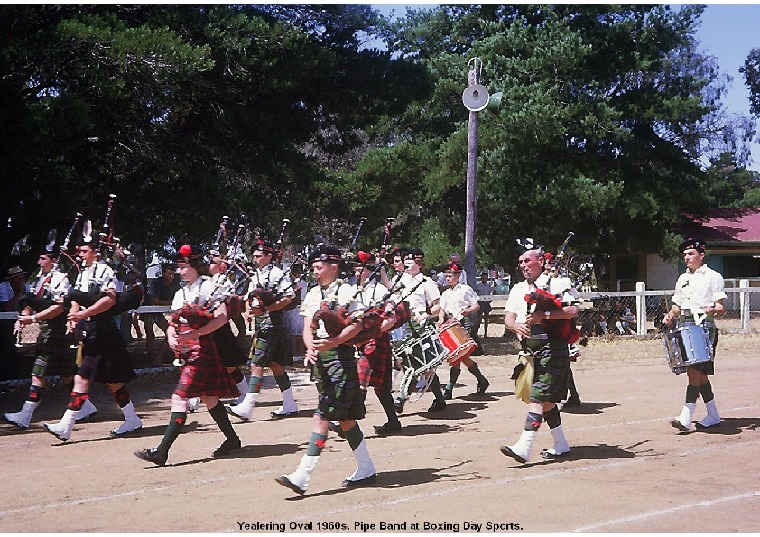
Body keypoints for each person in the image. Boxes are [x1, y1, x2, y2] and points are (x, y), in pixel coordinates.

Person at [276, 245, 376, 495]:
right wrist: (310, 347)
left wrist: (334, 341)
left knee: (322, 416)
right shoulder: (312, 294)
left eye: (319, 268)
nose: (315, 272)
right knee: (345, 419)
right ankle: (366, 467)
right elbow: (307, 326)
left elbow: (357, 324)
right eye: (313, 269)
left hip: (341, 358)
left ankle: (302, 475)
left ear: (334, 266)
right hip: (322, 361)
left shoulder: (348, 291)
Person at [134, 244, 241, 465]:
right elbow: (172, 320)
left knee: (179, 397)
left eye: (183, 267)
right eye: (178, 267)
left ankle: (161, 452)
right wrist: (172, 335)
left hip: (202, 349)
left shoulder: (209, 287)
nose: (179, 272)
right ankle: (232, 440)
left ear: (194, 266)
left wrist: (196, 332)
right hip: (187, 351)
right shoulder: (180, 293)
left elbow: (221, 318)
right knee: (209, 398)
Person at [43, 237, 142, 441]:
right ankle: (132, 419)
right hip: (91, 330)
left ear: (95, 252)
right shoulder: (83, 274)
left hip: (104, 331)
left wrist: (84, 313)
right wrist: (74, 317)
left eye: (84, 251)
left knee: (81, 378)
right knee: (113, 382)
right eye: (79, 252)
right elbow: (76, 299)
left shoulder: (105, 271)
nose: (79, 255)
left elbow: (109, 300)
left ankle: (65, 426)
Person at [502, 243, 578, 463]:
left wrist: (543, 314)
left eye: (527, 261)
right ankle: (561, 444)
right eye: (521, 263)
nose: (523, 266)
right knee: (546, 401)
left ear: (541, 261)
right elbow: (508, 317)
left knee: (538, 397)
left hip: (553, 347)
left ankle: (523, 447)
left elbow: (573, 311)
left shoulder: (558, 283)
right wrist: (515, 327)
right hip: (530, 350)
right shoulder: (517, 289)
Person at [4, 250, 97, 428]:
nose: (39, 261)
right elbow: (29, 302)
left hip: (60, 330)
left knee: (38, 375)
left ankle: (25, 415)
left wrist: (32, 319)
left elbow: (59, 308)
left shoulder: (61, 279)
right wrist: (23, 319)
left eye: (43, 258)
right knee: (66, 376)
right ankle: (86, 406)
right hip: (47, 330)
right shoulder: (37, 278)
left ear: (53, 261)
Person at [227, 240, 297, 421]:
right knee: (275, 365)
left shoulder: (277, 273)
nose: (255, 259)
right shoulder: (256, 275)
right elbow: (250, 297)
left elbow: (289, 297)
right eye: (254, 255)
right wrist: (250, 311)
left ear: (269, 256)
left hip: (273, 324)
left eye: (258, 256)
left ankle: (248, 406)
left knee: (256, 364)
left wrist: (267, 309)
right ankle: (290, 403)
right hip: (262, 324)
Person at [663, 237, 726, 433]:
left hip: (704, 325)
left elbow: (721, 307)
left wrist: (712, 310)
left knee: (694, 373)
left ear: (701, 255)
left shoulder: (713, 276)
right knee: (701, 375)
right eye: (684, 255)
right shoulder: (682, 278)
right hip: (685, 324)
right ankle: (713, 415)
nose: (686, 258)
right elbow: (677, 306)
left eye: (690, 254)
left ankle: (685, 416)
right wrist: (669, 315)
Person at [187, 250, 250, 412]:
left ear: (222, 266)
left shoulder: (223, 281)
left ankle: (245, 393)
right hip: (205, 327)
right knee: (201, 362)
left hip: (219, 327)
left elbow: (227, 301)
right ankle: (195, 399)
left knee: (229, 364)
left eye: (213, 262)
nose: (209, 265)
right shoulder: (204, 281)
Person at [352, 252, 403, 435]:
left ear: (369, 269)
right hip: (360, 340)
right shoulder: (356, 289)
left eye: (360, 268)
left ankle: (349, 421)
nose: (356, 271)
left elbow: (392, 314)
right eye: (355, 268)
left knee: (361, 380)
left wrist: (378, 327)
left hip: (376, 340)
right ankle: (393, 421)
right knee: (381, 387)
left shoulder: (380, 290)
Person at [393, 248, 447, 413]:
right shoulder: (399, 280)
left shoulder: (426, 282)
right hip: (401, 325)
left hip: (420, 326)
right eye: (406, 261)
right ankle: (439, 398)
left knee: (420, 363)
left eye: (412, 262)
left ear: (420, 263)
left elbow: (437, 305)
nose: (408, 264)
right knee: (410, 363)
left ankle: (402, 397)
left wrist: (427, 315)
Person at [438, 261, 489, 400]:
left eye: (451, 276)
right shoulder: (446, 293)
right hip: (450, 324)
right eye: (446, 276)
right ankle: (482, 380)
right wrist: (440, 320)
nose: (448, 279)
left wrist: (467, 310)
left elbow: (476, 305)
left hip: (462, 323)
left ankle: (449, 388)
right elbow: (442, 309)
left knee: (458, 355)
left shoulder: (465, 289)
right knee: (458, 356)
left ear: (459, 275)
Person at [143, 263, 180, 366]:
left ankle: (159, 358)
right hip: (149, 310)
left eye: (173, 274)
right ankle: (151, 359)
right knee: (150, 335)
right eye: (169, 274)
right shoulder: (157, 283)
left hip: (159, 311)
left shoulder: (176, 283)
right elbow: (155, 301)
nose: (171, 276)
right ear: (163, 273)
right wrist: (172, 303)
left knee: (169, 332)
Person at [0, 266, 26, 381]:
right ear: (12, 279)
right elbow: (7, 307)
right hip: (4, 321)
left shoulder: (25, 286)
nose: (21, 281)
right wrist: (19, 293)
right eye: (18, 279)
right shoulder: (3, 287)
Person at [283, 263, 307, 365]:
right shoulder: (290, 284)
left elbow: (301, 297)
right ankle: (294, 354)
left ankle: (300, 353)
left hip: (300, 308)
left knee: (299, 333)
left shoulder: (303, 284)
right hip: (292, 309)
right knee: (293, 333)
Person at [473, 271, 494, 337]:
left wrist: (490, 299)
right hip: (480, 303)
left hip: (486, 303)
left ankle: (486, 333)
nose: (484, 279)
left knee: (486, 319)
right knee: (479, 319)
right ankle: (476, 332)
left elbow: (491, 293)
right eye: (483, 278)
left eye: (485, 278)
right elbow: (475, 294)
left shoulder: (489, 286)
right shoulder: (478, 285)